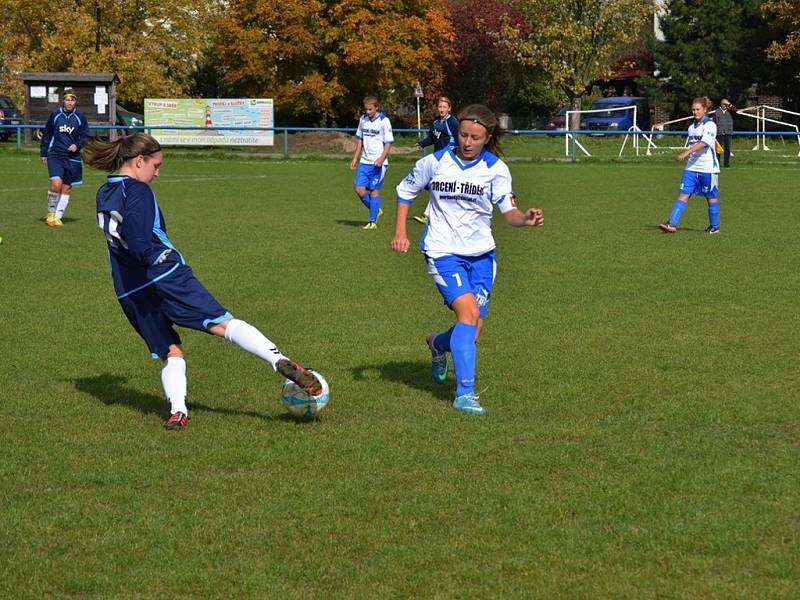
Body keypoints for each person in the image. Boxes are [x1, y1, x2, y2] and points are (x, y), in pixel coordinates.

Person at [84, 133, 323, 430]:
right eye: (155, 166)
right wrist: (149, 255)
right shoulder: (139, 191)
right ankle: (280, 360)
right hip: (164, 274)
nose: (157, 173)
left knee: (170, 350)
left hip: (129, 288)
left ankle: (178, 411)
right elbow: (138, 237)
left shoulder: (104, 192)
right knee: (222, 324)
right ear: (139, 161)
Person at [391, 104, 544, 415]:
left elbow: (509, 212)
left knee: (473, 328)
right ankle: (465, 394)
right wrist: (400, 232)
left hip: (482, 256)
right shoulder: (434, 162)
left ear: (487, 138)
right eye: (463, 135)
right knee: (468, 313)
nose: (467, 142)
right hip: (442, 250)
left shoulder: (496, 169)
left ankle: (437, 344)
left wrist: (524, 219)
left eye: (475, 137)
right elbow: (405, 191)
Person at [659, 97, 720, 235]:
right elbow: (694, 144)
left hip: (708, 167)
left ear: (705, 110)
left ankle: (715, 227)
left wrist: (686, 152)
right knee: (683, 194)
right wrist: (689, 154)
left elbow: (704, 143)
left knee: (711, 197)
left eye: (698, 109)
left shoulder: (710, 125)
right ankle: (671, 223)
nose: (695, 112)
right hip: (692, 167)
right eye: (693, 109)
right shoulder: (691, 127)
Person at [40, 90, 89, 227]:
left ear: (75, 102)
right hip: (55, 154)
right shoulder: (55, 115)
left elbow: (85, 136)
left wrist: (77, 145)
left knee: (67, 188)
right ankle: (50, 213)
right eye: (67, 100)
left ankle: (58, 216)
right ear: (63, 101)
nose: (70, 102)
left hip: (72, 157)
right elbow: (47, 134)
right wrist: (44, 153)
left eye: (72, 100)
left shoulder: (80, 117)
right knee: (56, 184)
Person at [412, 96, 460, 224]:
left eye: (444, 107)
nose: (442, 109)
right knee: (437, 186)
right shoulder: (435, 121)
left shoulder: (453, 122)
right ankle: (436, 214)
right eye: (440, 106)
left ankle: (428, 215)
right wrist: (421, 144)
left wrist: (454, 155)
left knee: (436, 184)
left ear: (449, 108)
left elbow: (459, 141)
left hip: (448, 159)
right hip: (437, 157)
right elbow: (432, 138)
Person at [350, 96, 393, 230]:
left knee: (374, 191)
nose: (367, 112)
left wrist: (381, 158)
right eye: (366, 109)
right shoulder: (363, 120)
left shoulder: (384, 121)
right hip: (364, 161)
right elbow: (359, 140)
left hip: (378, 163)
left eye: (370, 109)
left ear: (376, 107)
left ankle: (372, 222)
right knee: (359, 189)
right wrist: (355, 158)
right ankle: (376, 209)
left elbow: (388, 142)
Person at [714, 98, 736, 168]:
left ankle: (726, 164)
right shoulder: (716, 112)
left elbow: (736, 110)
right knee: (718, 150)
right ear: (721, 104)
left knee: (727, 149)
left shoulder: (730, 111)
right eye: (725, 104)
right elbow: (714, 122)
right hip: (719, 133)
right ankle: (717, 164)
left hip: (728, 132)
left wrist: (730, 105)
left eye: (727, 105)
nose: (726, 106)